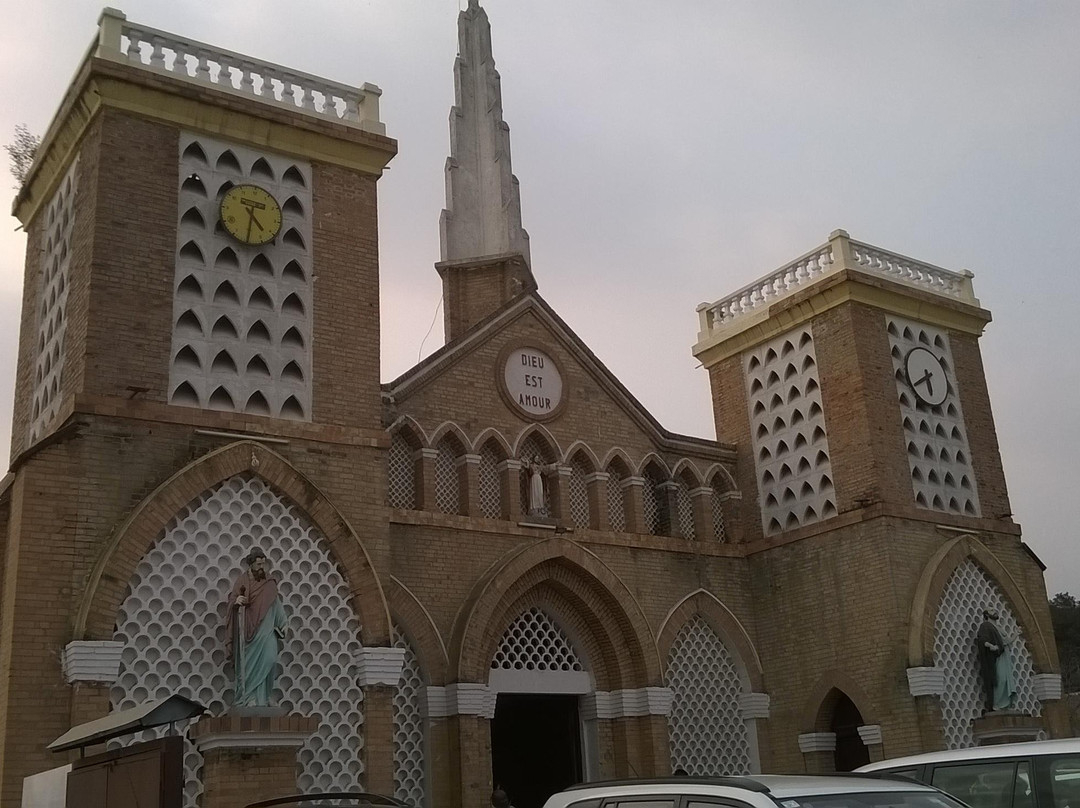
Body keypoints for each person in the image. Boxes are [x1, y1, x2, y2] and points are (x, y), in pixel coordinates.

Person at [225, 547, 287, 707]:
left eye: (263, 564)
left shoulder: (269, 582)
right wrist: (236, 602)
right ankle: (249, 697)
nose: (261, 567)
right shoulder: (242, 581)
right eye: (258, 564)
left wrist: (283, 622)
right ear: (251, 564)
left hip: (267, 629)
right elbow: (233, 600)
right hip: (248, 632)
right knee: (248, 666)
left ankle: (265, 696)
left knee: (270, 659)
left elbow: (276, 603)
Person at [975, 607, 1016, 713]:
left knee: (1006, 679)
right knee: (1000, 679)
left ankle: (1005, 704)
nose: (995, 611)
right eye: (991, 610)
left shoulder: (998, 628)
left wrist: (1016, 634)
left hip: (1004, 655)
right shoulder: (985, 626)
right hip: (996, 657)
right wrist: (990, 646)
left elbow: (1005, 641)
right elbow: (982, 639)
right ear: (987, 615)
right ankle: (997, 704)